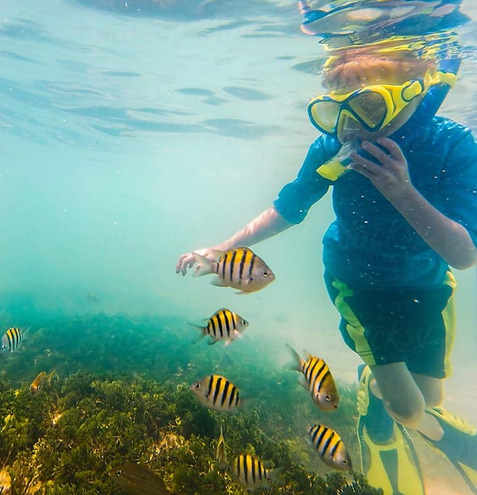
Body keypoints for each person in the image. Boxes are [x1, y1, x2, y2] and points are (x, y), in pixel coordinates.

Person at [176, 53, 477, 495]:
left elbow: (464, 255)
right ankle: (444, 439)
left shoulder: (452, 143)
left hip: (427, 283)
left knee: (430, 399)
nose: (350, 126)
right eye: (336, 111)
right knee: (412, 410)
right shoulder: (332, 148)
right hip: (357, 284)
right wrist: (221, 249)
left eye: (369, 107)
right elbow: (289, 207)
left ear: (412, 93)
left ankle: (373, 386)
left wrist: (401, 190)